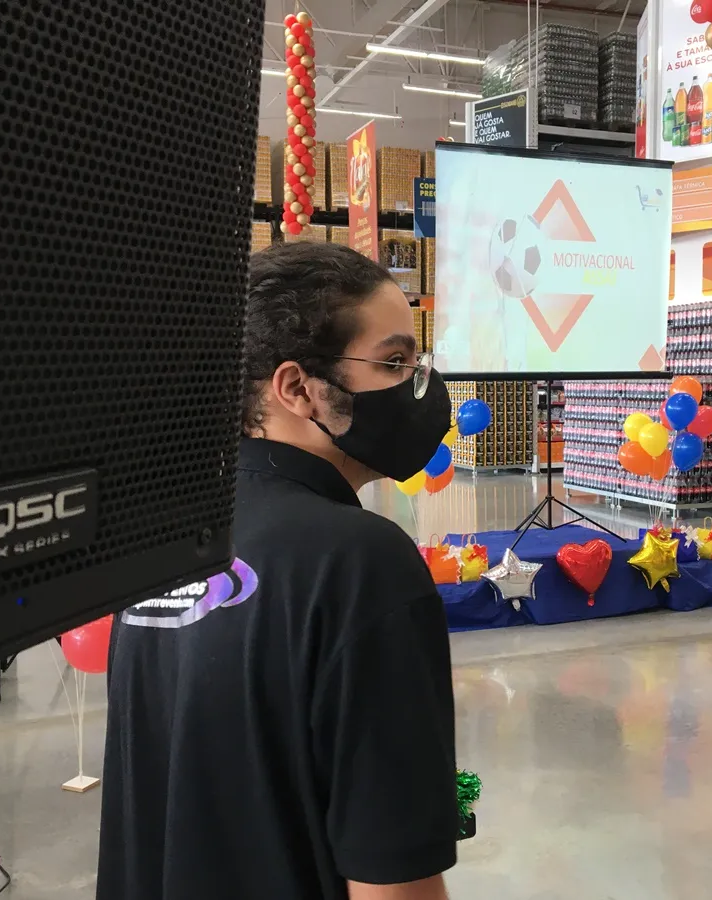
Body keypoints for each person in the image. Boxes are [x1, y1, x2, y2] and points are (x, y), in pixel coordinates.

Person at [97, 242, 460, 900]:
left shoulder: (167, 538)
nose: (417, 386)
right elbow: (392, 876)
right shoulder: (360, 562)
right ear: (298, 389)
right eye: (392, 362)